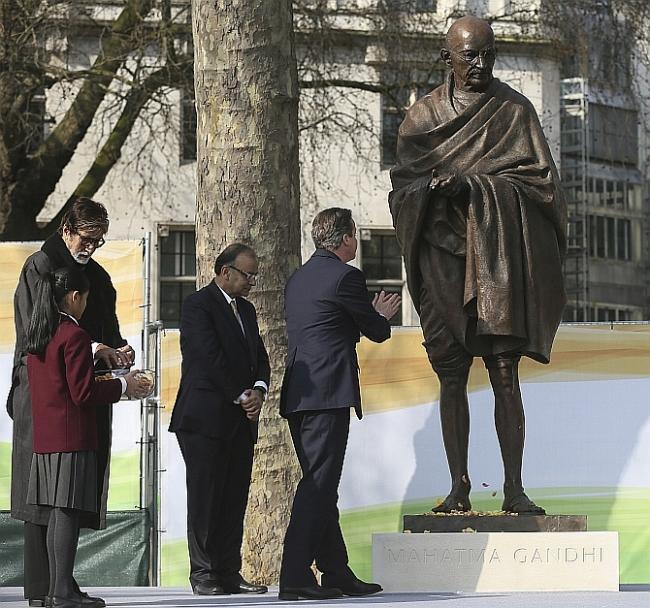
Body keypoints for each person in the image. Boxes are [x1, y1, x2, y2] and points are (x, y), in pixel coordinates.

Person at [389, 16, 567, 514]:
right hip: (443, 262)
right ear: (447, 58)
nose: (481, 64)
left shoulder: (514, 110)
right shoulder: (422, 118)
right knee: (451, 375)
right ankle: (458, 488)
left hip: (498, 259)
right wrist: (431, 188)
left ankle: (515, 489)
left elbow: (544, 187)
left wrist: (475, 186)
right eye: (470, 55)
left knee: (505, 373)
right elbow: (401, 188)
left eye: (488, 54)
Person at [6, 197, 137, 607]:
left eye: (99, 241)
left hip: (84, 393)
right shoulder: (40, 267)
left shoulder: (96, 275)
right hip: (44, 396)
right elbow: (38, 333)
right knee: (43, 493)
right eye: (88, 238)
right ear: (67, 228)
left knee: (74, 491)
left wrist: (118, 350)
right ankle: (45, 587)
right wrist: (97, 347)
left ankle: (61, 582)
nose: (92, 247)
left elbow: (105, 328)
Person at [278, 208, 401, 601]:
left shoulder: (299, 278)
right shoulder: (347, 277)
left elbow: (326, 325)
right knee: (317, 485)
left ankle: (335, 571)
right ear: (346, 238)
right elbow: (377, 330)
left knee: (321, 483)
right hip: (327, 394)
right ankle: (295, 575)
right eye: (354, 236)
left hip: (299, 394)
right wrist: (380, 315)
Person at [25, 267, 151, 608]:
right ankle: (63, 592)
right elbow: (81, 393)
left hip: (47, 436)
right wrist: (125, 384)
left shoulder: (41, 332)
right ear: (75, 296)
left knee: (55, 514)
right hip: (72, 437)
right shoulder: (74, 334)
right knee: (67, 513)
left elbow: (61, 381)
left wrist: (100, 364)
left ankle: (57, 588)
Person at [169, 243, 270, 596]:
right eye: (247, 275)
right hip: (204, 419)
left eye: (254, 276)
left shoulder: (247, 310)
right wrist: (241, 395)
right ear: (225, 272)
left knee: (233, 496)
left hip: (241, 420)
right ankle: (204, 573)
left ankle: (228, 571)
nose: (251, 282)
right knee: (206, 496)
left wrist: (258, 389)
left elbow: (259, 355)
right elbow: (207, 357)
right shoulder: (199, 305)